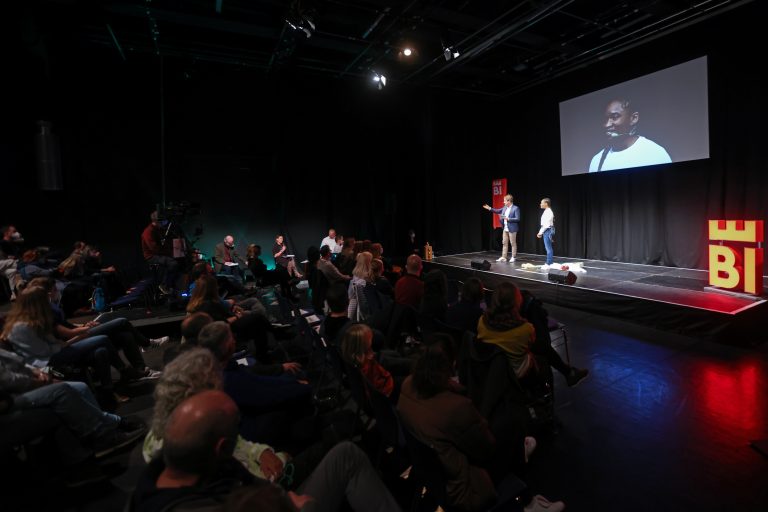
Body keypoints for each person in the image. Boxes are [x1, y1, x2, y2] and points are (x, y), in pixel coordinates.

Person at [132, 389, 401, 512]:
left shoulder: (179, 467)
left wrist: (263, 457)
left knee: (343, 450)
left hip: (274, 491)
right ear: (222, 448)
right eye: (235, 435)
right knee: (344, 450)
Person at [588, 98, 671, 172]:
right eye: (605, 119)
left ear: (634, 118)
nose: (607, 125)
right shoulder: (597, 161)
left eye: (615, 117)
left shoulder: (655, 153)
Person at [140, 210, 178, 295]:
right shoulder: (148, 232)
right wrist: (169, 252)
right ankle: (164, 285)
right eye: (162, 220)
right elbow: (154, 249)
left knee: (178, 261)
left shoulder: (158, 229)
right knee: (172, 263)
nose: (165, 222)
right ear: (157, 221)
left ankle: (173, 285)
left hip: (159, 253)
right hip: (151, 256)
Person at [483, 194, 520, 262]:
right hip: (505, 229)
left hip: (512, 229)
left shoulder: (515, 208)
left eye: (505, 201)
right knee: (504, 243)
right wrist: (489, 208)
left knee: (513, 243)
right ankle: (504, 257)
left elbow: (517, 219)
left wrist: (508, 218)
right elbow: (497, 211)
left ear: (509, 201)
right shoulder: (505, 208)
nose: (504, 202)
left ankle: (513, 257)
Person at [536, 198, 555, 270]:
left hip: (548, 230)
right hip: (548, 230)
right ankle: (549, 262)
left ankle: (549, 263)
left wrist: (540, 232)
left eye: (542, 203)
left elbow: (546, 225)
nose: (540, 204)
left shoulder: (548, 212)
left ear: (546, 204)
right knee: (548, 247)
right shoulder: (546, 211)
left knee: (548, 248)